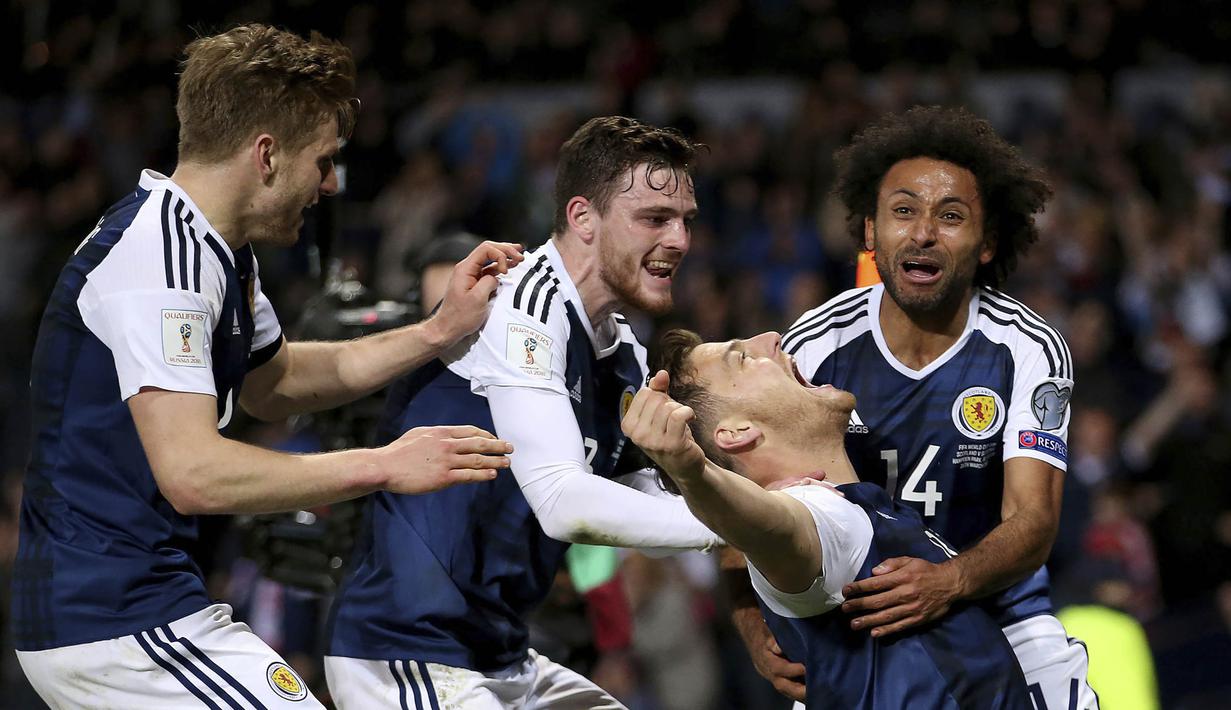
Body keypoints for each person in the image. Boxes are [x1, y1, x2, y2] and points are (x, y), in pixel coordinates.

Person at [11, 24, 523, 709]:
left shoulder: (213, 248)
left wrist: (437, 329)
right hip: (114, 622)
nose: (330, 182)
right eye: (324, 159)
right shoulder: (159, 258)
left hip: (140, 607)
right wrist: (384, 465)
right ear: (266, 155)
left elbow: (276, 384)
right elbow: (194, 472)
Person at [325, 116, 722, 709]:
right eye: (655, 219)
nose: (680, 241)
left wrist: (733, 498)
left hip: (504, 657)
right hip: (408, 655)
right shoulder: (519, 303)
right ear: (582, 218)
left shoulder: (623, 352)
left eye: (685, 221)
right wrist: (739, 525)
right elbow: (565, 504)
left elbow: (630, 499)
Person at [730, 105, 1097, 709]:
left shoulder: (1026, 348)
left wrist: (950, 581)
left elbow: (1034, 520)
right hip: (857, 636)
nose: (923, 233)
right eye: (903, 211)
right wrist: (751, 625)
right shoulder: (813, 346)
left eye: (950, 217)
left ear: (987, 244)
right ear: (871, 232)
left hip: (1003, 620)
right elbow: (743, 497)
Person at [622, 329, 1031, 709]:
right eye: (743, 358)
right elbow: (763, 525)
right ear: (737, 432)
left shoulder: (857, 505)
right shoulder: (821, 517)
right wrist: (692, 470)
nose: (772, 337)